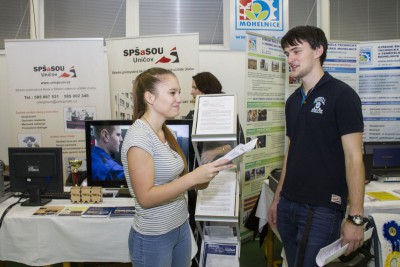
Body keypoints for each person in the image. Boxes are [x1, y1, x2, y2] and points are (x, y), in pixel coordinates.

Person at [267, 25, 365, 267]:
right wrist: (278, 199)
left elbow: (354, 158)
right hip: (289, 204)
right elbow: (293, 151)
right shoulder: (292, 101)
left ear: (318, 50)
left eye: (296, 51)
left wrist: (356, 217)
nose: (290, 59)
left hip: (322, 209)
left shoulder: (343, 96)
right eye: (287, 53)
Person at [121, 67, 234, 267]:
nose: (180, 98)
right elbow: (146, 198)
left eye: (179, 92)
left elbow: (174, 182)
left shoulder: (165, 132)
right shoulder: (139, 138)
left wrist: (203, 178)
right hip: (154, 236)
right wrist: (192, 178)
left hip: (180, 227)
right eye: (172, 93)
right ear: (150, 97)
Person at [187, 71, 245, 164]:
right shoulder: (192, 116)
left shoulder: (229, 114)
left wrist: (215, 151)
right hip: (199, 170)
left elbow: (240, 143)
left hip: (224, 170)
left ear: (206, 90)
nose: (191, 92)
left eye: (195, 88)